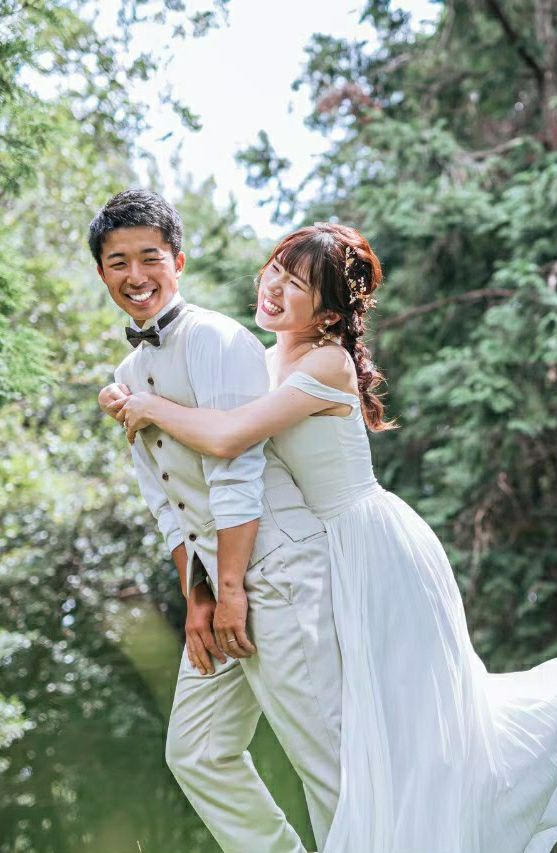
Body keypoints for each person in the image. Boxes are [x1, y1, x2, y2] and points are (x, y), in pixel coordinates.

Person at [102, 221, 557, 853]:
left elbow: (229, 436)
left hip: (367, 545)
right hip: (313, 545)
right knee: (334, 740)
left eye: (298, 284)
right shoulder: (259, 359)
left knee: (384, 737)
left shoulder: (327, 362)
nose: (275, 288)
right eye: (275, 269)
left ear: (330, 313)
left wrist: (146, 407)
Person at [90, 190, 343, 853]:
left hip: (279, 570)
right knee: (197, 751)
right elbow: (165, 499)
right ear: (102, 272)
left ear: (177, 260)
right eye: (118, 262)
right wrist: (197, 594)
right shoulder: (127, 370)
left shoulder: (216, 338)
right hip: (218, 579)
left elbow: (235, 469)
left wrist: (232, 589)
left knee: (324, 757)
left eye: (150, 257)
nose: (135, 275)